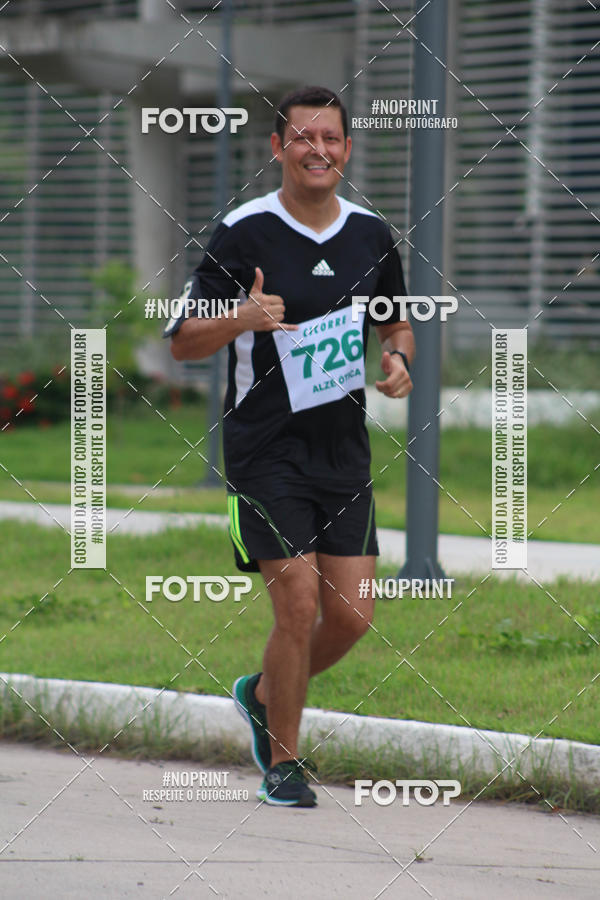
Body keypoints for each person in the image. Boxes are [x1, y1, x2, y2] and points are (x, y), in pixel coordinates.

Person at [166, 86, 414, 807]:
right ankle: (284, 763)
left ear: (347, 150)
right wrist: (241, 318)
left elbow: (396, 322)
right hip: (264, 448)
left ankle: (262, 694)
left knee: (354, 616)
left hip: (342, 449)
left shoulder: (371, 234)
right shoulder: (243, 232)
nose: (318, 150)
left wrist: (399, 358)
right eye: (304, 137)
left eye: (330, 138)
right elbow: (182, 341)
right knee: (298, 604)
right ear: (278, 148)